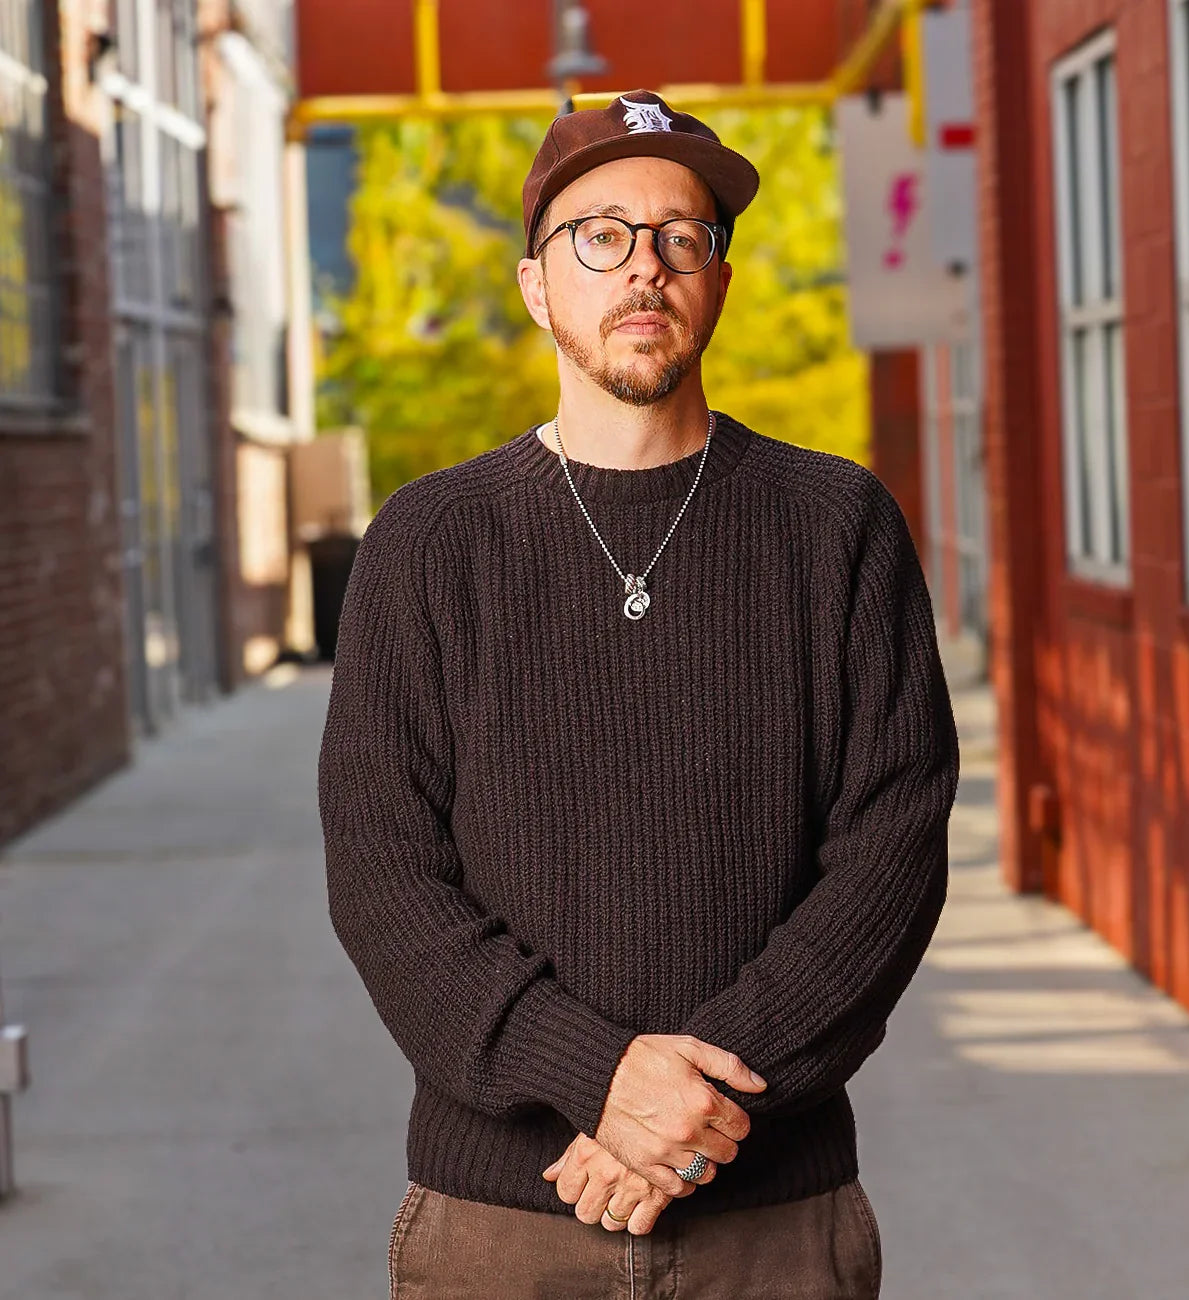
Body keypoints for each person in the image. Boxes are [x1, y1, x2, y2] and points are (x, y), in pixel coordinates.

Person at [318, 88, 960, 1300]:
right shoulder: (431, 542)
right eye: (599, 234)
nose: (644, 267)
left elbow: (891, 851)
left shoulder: (834, 528)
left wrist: (694, 1104)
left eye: (682, 237)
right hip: (501, 1220)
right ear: (534, 284)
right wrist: (600, 1079)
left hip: (776, 1225)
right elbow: (383, 871)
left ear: (718, 279)